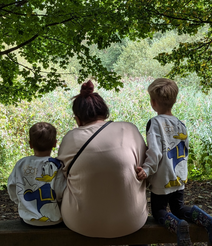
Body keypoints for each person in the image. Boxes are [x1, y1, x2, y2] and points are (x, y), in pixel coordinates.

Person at [57, 80, 148, 238]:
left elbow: (64, 175)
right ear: (105, 113)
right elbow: (144, 167)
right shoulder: (129, 129)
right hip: (132, 221)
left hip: (81, 224)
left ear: (77, 119)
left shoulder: (70, 138)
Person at [136, 78, 212, 246]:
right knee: (179, 209)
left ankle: (178, 227)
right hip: (178, 176)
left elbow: (155, 151)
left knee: (160, 211)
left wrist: (147, 169)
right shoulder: (180, 124)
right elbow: (184, 150)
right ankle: (209, 221)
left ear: (153, 103)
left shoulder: (155, 123)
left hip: (162, 178)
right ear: (174, 101)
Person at [7, 122, 66, 226]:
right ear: (55, 143)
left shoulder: (21, 164)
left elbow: (12, 187)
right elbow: (62, 190)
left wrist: (22, 202)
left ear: (30, 144)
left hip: (28, 220)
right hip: (56, 219)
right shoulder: (57, 165)